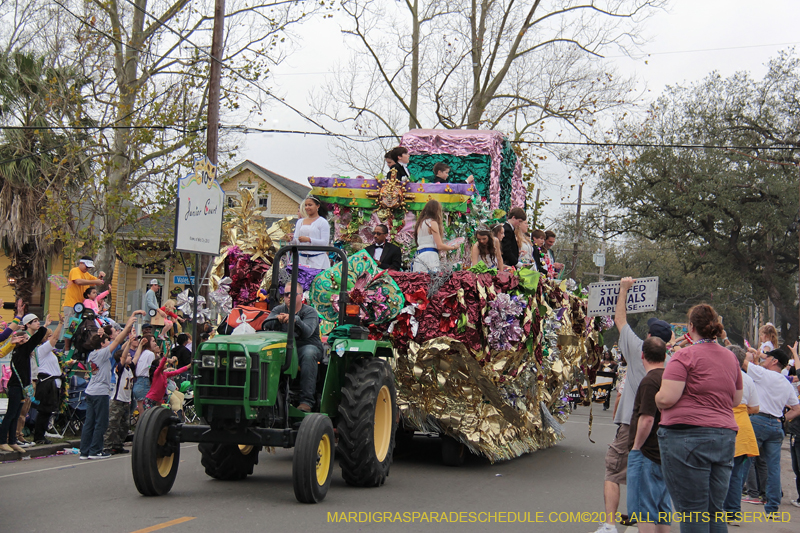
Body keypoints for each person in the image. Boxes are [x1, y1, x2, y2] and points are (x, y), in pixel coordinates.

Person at [592, 277, 673, 533]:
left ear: (649, 338)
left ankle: (610, 523)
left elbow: (620, 320)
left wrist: (623, 290)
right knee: (655, 484)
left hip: (633, 422)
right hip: (664, 429)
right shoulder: (673, 363)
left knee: (613, 470)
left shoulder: (640, 349)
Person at [655, 304, 743, 532]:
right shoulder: (731, 358)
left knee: (693, 511)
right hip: (723, 435)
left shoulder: (684, 355)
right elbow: (735, 400)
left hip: (686, 437)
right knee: (715, 511)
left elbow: (666, 399)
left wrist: (655, 395)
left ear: (691, 327)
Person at [741, 344, 800, 517]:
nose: (764, 360)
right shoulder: (785, 382)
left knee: (744, 462)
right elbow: (797, 409)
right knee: (773, 467)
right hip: (776, 425)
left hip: (758, 421)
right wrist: (782, 419)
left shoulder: (763, 374)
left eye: (767, 358)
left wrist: (752, 353)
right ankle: (772, 507)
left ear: (774, 361)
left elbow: (741, 362)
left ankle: (732, 505)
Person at [79, 310, 143, 460]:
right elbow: (117, 342)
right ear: (102, 344)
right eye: (106, 341)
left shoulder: (92, 354)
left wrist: (128, 336)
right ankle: (95, 451)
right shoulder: (101, 353)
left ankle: (85, 451)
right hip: (100, 392)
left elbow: (118, 343)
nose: (109, 343)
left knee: (89, 423)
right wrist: (127, 326)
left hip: (90, 391)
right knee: (101, 422)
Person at [626, 337, 671, 533]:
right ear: (664, 356)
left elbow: (647, 418)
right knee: (662, 507)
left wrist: (636, 446)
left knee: (644, 510)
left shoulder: (649, 381)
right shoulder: (670, 379)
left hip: (647, 451)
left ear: (642, 355)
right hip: (666, 451)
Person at [263, 282, 324, 412]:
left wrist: (295, 320)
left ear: (301, 296)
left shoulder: (310, 312)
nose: (289, 297)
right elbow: (266, 325)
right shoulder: (278, 310)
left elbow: (308, 331)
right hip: (284, 348)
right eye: (286, 294)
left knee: (309, 353)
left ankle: (306, 401)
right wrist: (276, 320)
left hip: (306, 346)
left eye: (292, 294)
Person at [722, 344, 760, 525]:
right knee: (736, 475)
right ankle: (734, 513)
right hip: (743, 429)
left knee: (718, 473)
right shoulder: (748, 379)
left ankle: (717, 511)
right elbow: (756, 408)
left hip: (722, 426)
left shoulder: (720, 376)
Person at [0, 313, 49, 453]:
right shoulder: (21, 350)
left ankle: (13, 441)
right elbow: (37, 337)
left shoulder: (23, 351)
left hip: (22, 388)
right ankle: (2, 441)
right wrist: (44, 325)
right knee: (11, 414)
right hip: (16, 387)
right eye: (25, 338)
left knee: (16, 415)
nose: (28, 340)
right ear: (19, 340)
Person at [32, 314, 66, 445]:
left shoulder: (49, 352)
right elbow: (56, 338)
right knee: (44, 410)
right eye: (50, 336)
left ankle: (42, 433)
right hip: (46, 382)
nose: (54, 338)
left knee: (48, 411)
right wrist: (60, 324)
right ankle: (38, 436)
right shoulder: (42, 349)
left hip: (53, 382)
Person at [63, 257, 105, 346]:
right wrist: (95, 281)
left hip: (82, 307)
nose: (87, 269)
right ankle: (66, 349)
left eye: (89, 267)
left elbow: (95, 282)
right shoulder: (75, 270)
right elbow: (78, 281)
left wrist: (100, 278)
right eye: (86, 266)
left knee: (79, 327)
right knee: (70, 327)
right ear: (81, 263)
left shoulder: (87, 275)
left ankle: (75, 347)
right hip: (71, 304)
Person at [104, 336, 134, 454]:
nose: (130, 357)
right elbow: (122, 357)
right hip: (117, 400)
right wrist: (129, 343)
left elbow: (135, 358)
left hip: (126, 400)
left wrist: (140, 345)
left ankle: (118, 444)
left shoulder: (129, 369)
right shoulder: (119, 368)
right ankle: (107, 446)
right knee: (113, 425)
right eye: (128, 356)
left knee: (124, 425)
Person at [412, 200, 456, 273]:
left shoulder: (420, 224)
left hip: (419, 257)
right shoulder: (432, 223)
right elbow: (439, 246)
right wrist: (453, 247)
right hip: (430, 257)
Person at [289, 196, 331, 270]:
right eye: (306, 205)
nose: (307, 207)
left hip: (318, 261)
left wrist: (309, 239)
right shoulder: (300, 222)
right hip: (302, 260)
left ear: (317, 206)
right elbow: (296, 241)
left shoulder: (323, 222)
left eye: (310, 205)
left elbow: (325, 242)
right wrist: (291, 239)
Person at [132, 334, 157, 417]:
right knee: (147, 412)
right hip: (145, 382)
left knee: (141, 410)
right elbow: (152, 370)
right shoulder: (150, 354)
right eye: (153, 341)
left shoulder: (142, 353)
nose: (155, 344)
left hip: (138, 382)